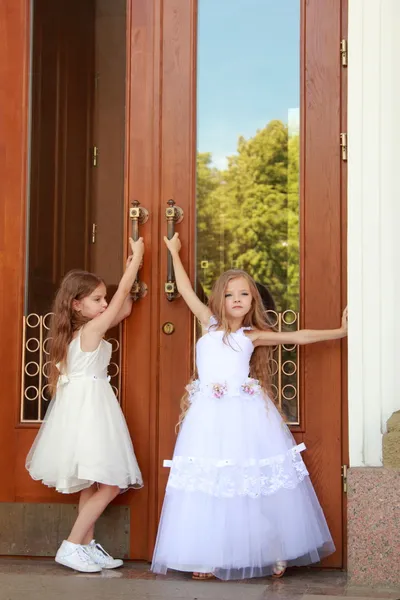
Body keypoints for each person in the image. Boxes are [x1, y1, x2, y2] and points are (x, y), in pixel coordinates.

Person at [151, 232, 347, 581]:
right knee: (212, 483)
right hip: (208, 418)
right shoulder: (208, 324)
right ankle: (207, 556)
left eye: (244, 294)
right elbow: (183, 290)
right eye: (230, 294)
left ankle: (272, 550)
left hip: (246, 417)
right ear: (219, 300)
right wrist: (173, 252)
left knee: (252, 482)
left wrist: (340, 332)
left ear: (252, 299)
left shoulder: (251, 336)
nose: (237, 299)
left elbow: (297, 337)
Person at [26, 238, 145, 573]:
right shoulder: (91, 331)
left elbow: (124, 307)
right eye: (97, 299)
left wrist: (130, 282)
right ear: (77, 305)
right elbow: (121, 301)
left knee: (92, 481)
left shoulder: (79, 332)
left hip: (83, 408)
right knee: (111, 483)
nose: (104, 303)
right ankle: (72, 544)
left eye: (103, 297)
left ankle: (87, 545)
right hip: (91, 410)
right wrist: (135, 261)